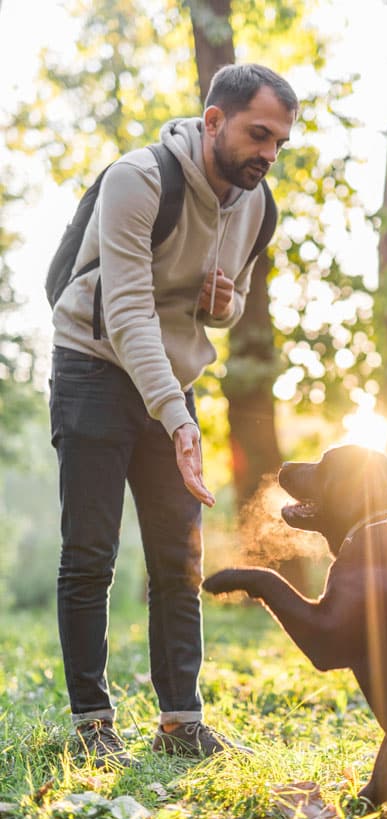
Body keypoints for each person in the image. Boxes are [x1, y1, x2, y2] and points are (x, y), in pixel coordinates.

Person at [49, 63, 299, 767]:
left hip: (171, 381)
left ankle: (181, 722)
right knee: (90, 553)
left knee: (179, 558)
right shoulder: (138, 179)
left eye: (280, 142)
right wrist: (177, 417)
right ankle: (93, 725)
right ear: (214, 120)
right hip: (94, 368)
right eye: (258, 135)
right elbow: (128, 312)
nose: (269, 154)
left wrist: (222, 304)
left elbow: (230, 305)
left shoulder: (258, 204)